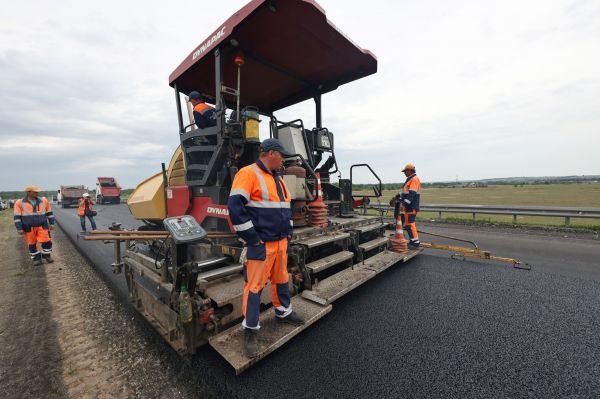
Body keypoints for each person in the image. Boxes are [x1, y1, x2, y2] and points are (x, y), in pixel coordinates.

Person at [227, 138, 305, 358]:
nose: (283, 161)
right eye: (281, 156)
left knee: (281, 279)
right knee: (254, 288)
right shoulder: (248, 173)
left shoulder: (277, 179)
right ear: (271, 153)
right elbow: (234, 207)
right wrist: (252, 238)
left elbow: (285, 209)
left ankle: (283, 312)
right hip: (261, 245)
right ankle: (250, 330)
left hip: (280, 243)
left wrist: (288, 235)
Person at [13, 185, 55, 265]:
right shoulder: (19, 203)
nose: (37, 193)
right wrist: (19, 228)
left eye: (37, 192)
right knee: (32, 243)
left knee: (47, 241)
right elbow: (17, 217)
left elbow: (49, 213)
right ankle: (36, 259)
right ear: (28, 192)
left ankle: (47, 256)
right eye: (35, 192)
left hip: (42, 225)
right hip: (28, 227)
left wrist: (52, 223)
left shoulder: (43, 200)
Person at [395, 163, 421, 250]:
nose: (404, 173)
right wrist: (399, 197)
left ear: (410, 170)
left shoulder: (414, 179)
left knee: (410, 224)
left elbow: (412, 194)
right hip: (409, 206)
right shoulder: (410, 179)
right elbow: (405, 192)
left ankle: (415, 243)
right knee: (408, 224)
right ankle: (413, 241)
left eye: (405, 171)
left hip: (411, 206)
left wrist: (404, 203)